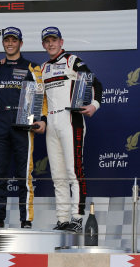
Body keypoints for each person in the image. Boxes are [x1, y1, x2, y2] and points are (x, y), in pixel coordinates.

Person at [40, 26, 103, 233]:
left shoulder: (72, 60)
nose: (51, 44)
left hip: (70, 118)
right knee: (57, 175)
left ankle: (76, 218)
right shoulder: (43, 68)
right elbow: (37, 100)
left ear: (61, 42)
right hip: (51, 122)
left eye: (54, 40)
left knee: (73, 171)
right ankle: (62, 219)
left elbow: (95, 83)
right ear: (43, 44)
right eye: (47, 41)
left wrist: (94, 105)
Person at [0, 27, 45, 228]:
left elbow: (40, 95)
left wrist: (42, 118)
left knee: (24, 174)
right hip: (1, 120)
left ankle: (26, 220)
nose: (10, 43)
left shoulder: (32, 67)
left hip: (24, 122)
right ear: (3, 43)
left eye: (14, 40)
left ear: (21, 43)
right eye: (7, 40)